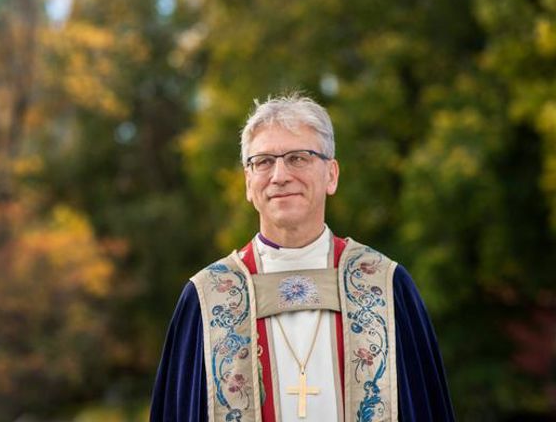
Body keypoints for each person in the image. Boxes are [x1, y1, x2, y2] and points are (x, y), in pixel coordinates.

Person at [150, 93, 454, 421]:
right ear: (248, 183)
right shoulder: (208, 297)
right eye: (263, 161)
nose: (279, 175)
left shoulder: (385, 285)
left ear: (332, 175)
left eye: (298, 158)